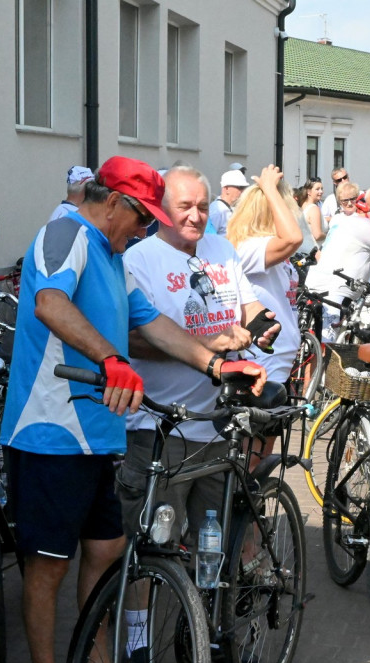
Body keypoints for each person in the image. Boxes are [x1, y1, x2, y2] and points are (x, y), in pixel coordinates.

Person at [0, 156, 265, 663]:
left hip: (100, 432)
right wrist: (111, 359)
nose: (147, 229)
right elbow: (50, 304)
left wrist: (215, 363)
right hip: (50, 431)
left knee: (107, 555)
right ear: (113, 203)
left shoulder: (114, 254)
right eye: (143, 217)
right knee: (48, 567)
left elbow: (154, 324)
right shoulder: (65, 232)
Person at [120, 163, 277, 574]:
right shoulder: (139, 260)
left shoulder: (220, 249)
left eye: (203, 206)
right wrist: (205, 346)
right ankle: (141, 636)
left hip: (219, 424)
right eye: (185, 206)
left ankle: (203, 629)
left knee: (213, 547)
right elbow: (133, 339)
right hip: (162, 428)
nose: (196, 216)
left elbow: (248, 305)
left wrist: (264, 322)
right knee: (153, 548)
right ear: (159, 209)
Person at [226, 164, 303, 385]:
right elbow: (292, 238)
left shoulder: (263, 245)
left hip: (277, 360)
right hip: (262, 360)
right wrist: (269, 189)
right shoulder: (248, 247)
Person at [304, 205, 370, 341]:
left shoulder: (341, 223)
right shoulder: (369, 226)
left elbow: (319, 254)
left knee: (312, 341)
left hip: (315, 284)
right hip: (335, 291)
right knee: (326, 345)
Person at [208, 169, 250, 236]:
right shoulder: (217, 210)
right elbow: (208, 238)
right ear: (226, 188)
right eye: (240, 187)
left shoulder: (233, 207)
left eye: (244, 188)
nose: (243, 191)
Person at [326, 179, 361, 244]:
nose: (349, 203)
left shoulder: (362, 218)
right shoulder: (336, 219)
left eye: (352, 199)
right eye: (345, 200)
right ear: (340, 202)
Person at [299, 177, 327, 245]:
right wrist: (329, 236)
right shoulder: (314, 209)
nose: (321, 191)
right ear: (309, 191)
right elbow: (317, 235)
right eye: (317, 189)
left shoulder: (302, 206)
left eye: (321, 189)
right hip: (315, 250)